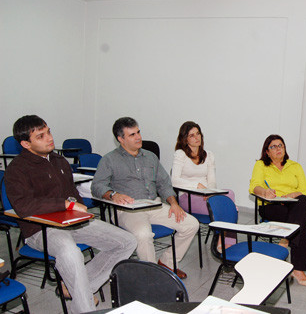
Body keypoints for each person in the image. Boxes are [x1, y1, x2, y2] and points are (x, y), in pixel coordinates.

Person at [4, 115, 137, 314]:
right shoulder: (16, 170)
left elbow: (73, 196)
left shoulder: (59, 161)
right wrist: (64, 204)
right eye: (41, 136)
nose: (49, 138)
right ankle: (84, 309)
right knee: (71, 253)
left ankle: (79, 287)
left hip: (73, 222)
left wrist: (76, 206)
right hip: (40, 229)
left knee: (127, 241)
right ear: (25, 144)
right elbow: (23, 206)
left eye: (48, 131)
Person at [91, 117, 198, 279]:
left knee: (191, 224)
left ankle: (167, 263)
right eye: (132, 134)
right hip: (128, 209)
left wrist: (174, 203)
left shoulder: (150, 157)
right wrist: (113, 195)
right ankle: (152, 274)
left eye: (138, 132)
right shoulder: (109, 160)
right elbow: (97, 186)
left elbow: (164, 183)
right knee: (143, 234)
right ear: (121, 139)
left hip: (154, 205)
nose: (138, 137)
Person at [249, 134, 306, 286]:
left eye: (281, 145)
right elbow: (254, 186)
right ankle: (298, 268)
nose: (278, 149)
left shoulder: (295, 166)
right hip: (271, 206)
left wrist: (295, 194)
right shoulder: (261, 165)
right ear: (267, 152)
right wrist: (264, 192)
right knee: (301, 222)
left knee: (303, 201)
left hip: (293, 204)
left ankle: (286, 238)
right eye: (273, 146)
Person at [171, 121, 236, 249]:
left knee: (230, 193)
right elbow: (174, 180)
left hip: (206, 195)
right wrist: (197, 186)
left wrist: (210, 192)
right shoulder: (180, 155)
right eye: (192, 135)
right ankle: (225, 241)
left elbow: (212, 181)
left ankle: (223, 239)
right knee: (228, 208)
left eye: (198, 134)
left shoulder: (209, 155)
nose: (197, 137)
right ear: (185, 139)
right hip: (188, 197)